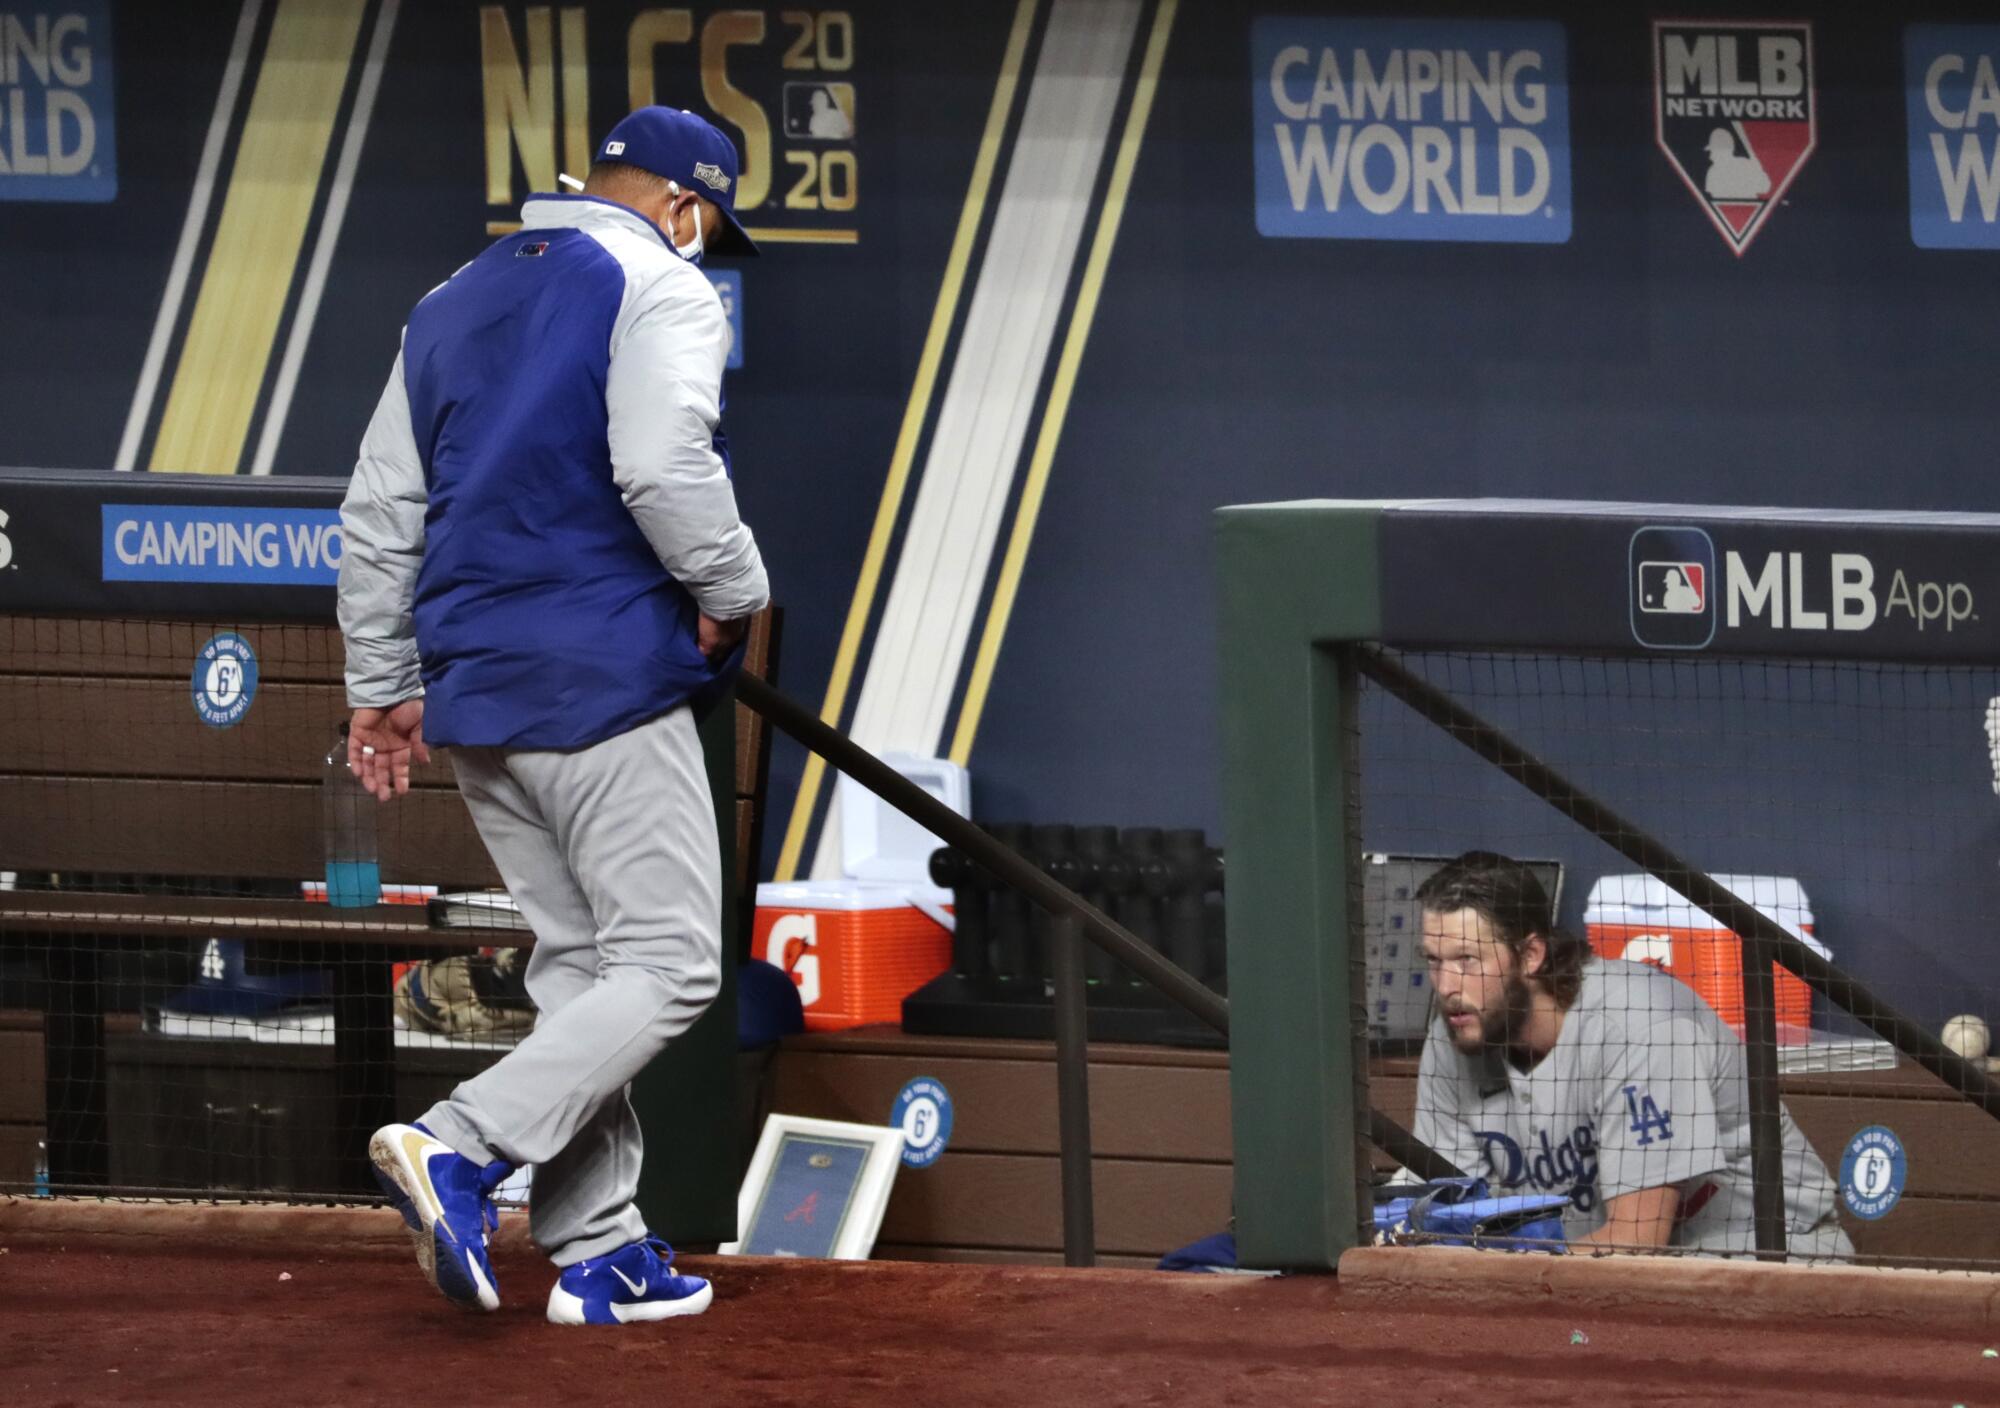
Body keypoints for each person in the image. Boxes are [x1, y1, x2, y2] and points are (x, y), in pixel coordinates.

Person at [336, 105, 769, 1324]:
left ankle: (598, 1248)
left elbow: (378, 510)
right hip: (602, 678)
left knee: (585, 965)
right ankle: (461, 1146)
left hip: (477, 696)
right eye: (708, 221)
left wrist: (382, 686)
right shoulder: (663, 284)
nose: (705, 242)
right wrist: (737, 592)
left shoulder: (450, 295)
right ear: (684, 204)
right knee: (676, 964)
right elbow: (662, 465)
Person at [1408, 851, 1851, 1259]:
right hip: (1601, 1272)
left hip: (1769, 1254)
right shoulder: (1455, 1037)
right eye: (1434, 961)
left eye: (1467, 959)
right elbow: (1454, 1220)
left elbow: (1636, 1241)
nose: (1446, 986)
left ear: (1531, 955)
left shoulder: (1639, 1024)